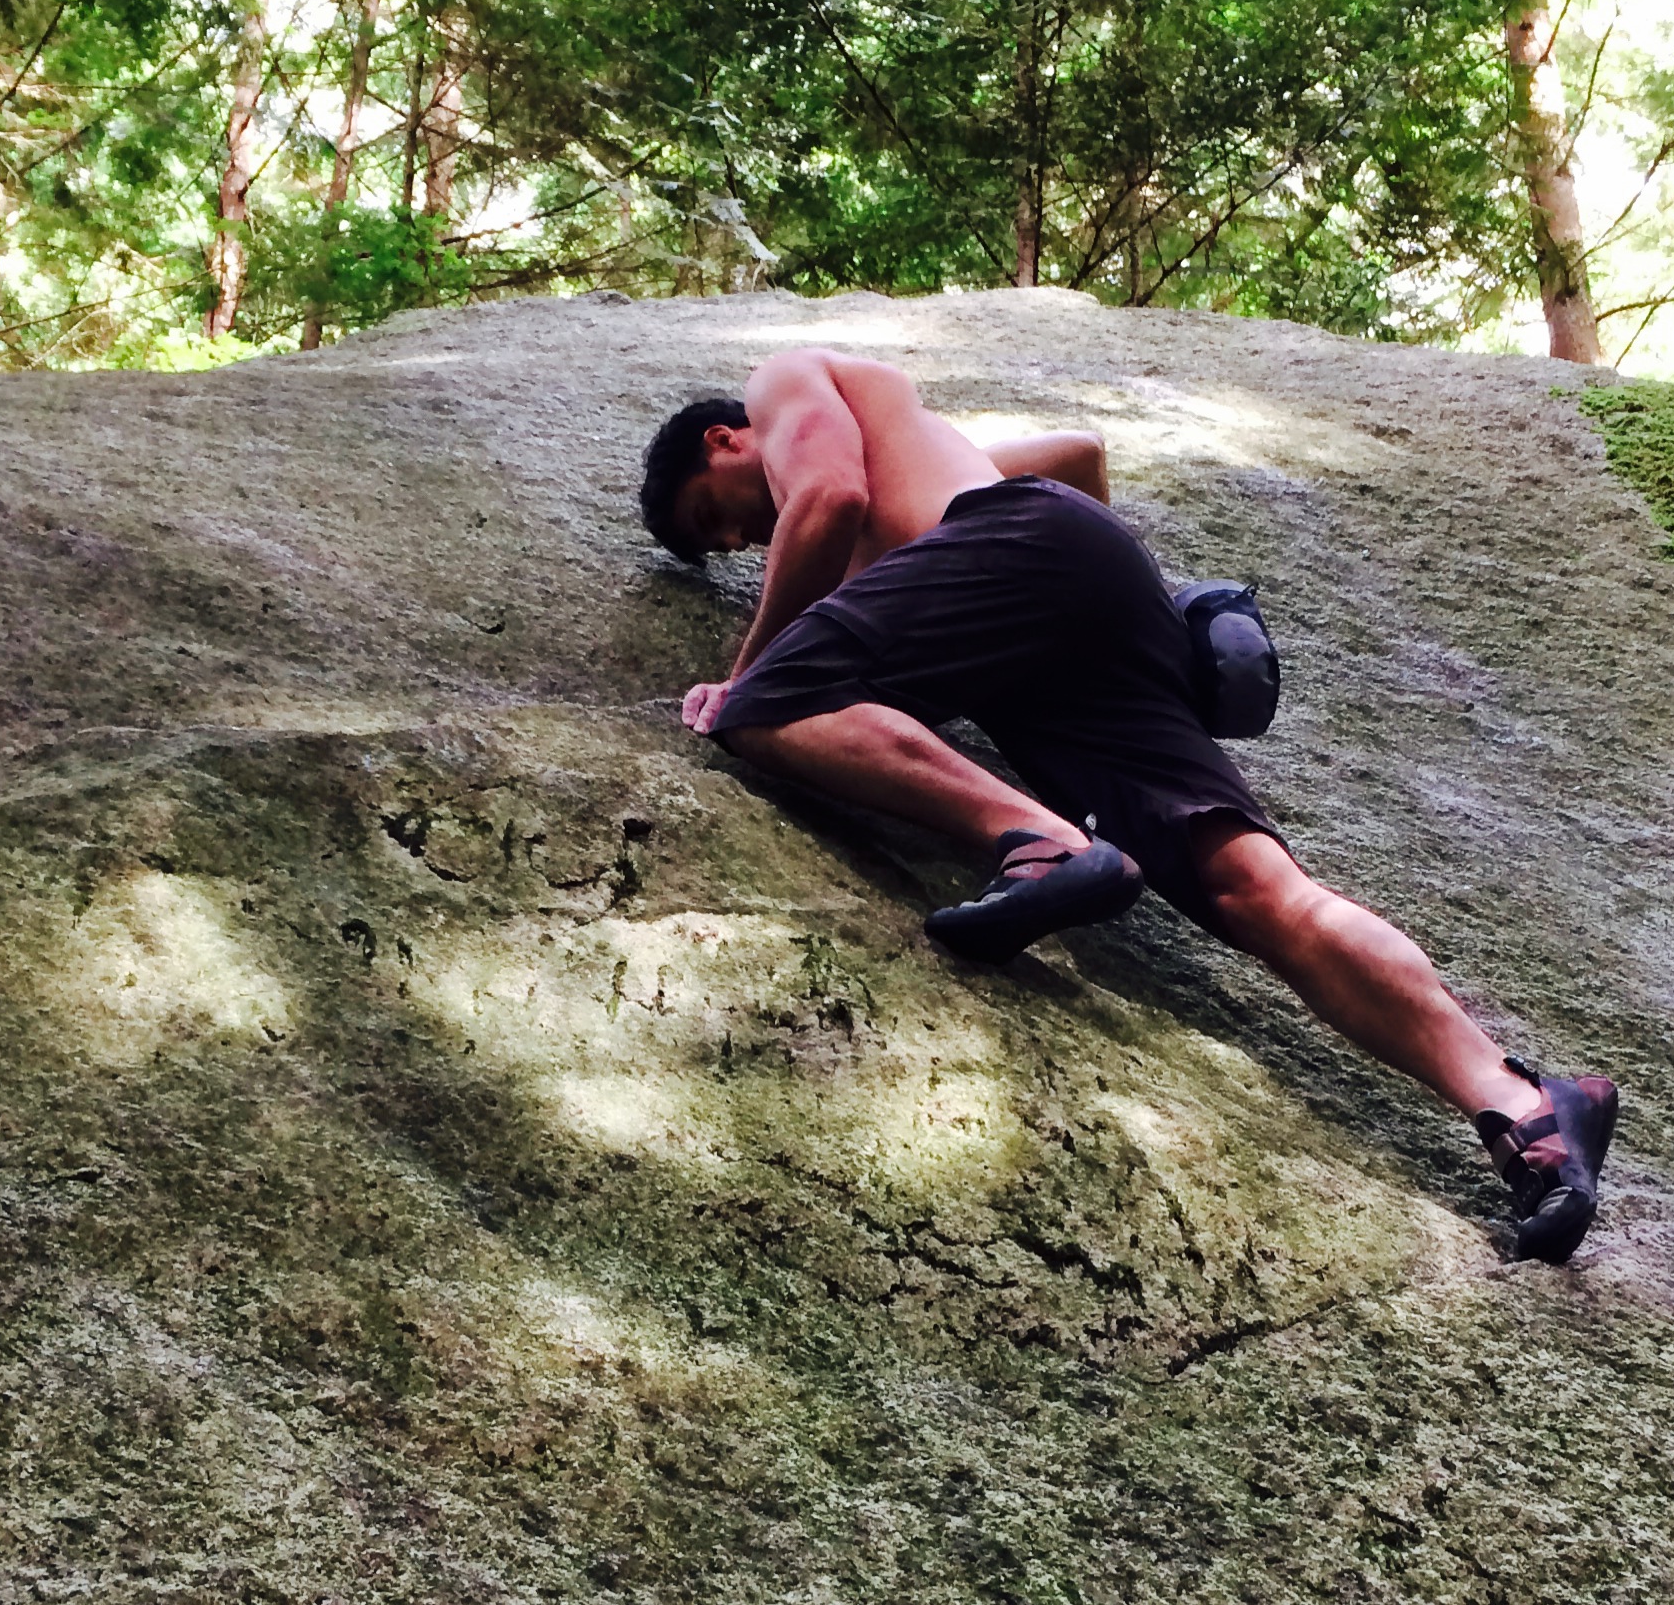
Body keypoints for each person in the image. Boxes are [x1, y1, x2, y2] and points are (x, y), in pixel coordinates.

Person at [639, 348, 1617, 1262]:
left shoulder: (788, 379)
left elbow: (828, 492)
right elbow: (1078, 455)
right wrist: (1106, 607)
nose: (732, 540)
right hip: (1077, 591)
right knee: (1254, 892)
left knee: (768, 707)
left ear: (726, 440)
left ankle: (1040, 846)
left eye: (708, 514)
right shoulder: (927, 461)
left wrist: (743, 675)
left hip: (1019, 552)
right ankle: (1522, 1102)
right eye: (715, 547)